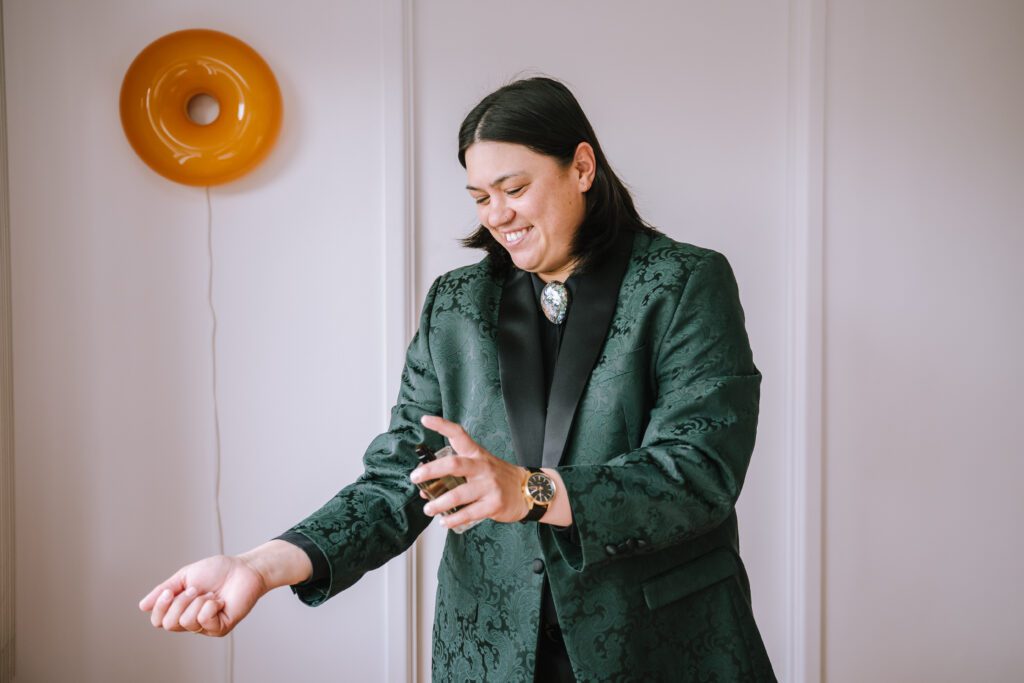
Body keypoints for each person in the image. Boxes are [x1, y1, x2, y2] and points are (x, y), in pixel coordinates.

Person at [140, 76, 777, 682]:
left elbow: (699, 472)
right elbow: (400, 477)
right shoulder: (456, 303)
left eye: (514, 188)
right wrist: (261, 565)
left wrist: (529, 490)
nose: (497, 215)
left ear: (582, 168)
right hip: (490, 649)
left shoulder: (687, 282)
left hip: (658, 644)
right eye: (480, 197)